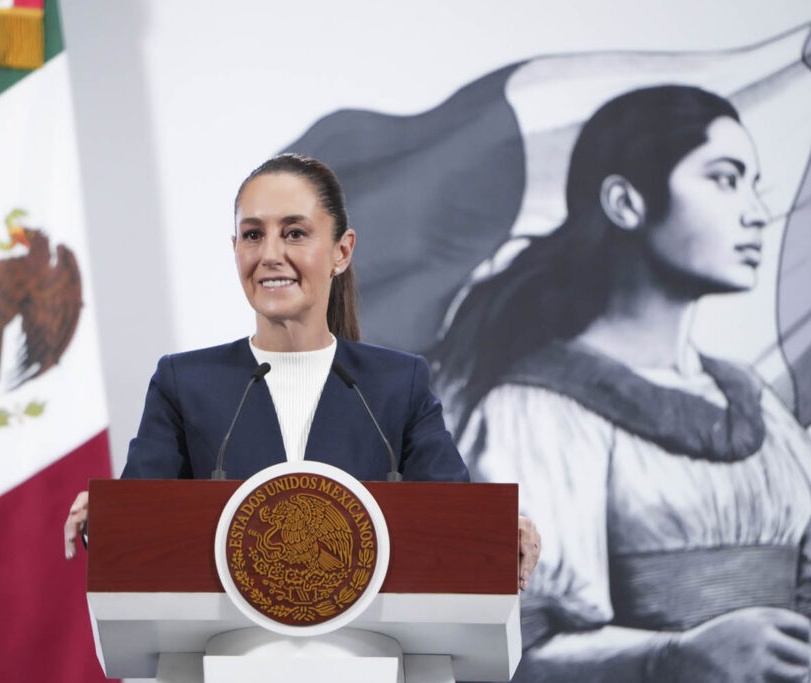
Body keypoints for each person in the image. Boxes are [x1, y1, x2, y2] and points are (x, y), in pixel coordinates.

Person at [432, 85, 811, 681]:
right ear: (625, 202)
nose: (757, 213)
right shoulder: (536, 413)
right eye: (725, 179)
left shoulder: (757, 403)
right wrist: (673, 656)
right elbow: (505, 647)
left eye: (753, 184)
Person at [64, 154, 541, 589]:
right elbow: (138, 524)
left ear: (342, 252)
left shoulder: (397, 385)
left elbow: (455, 519)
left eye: (294, 233)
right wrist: (107, 517)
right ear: (235, 249)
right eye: (253, 235)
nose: (270, 254)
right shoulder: (184, 384)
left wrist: (498, 530)